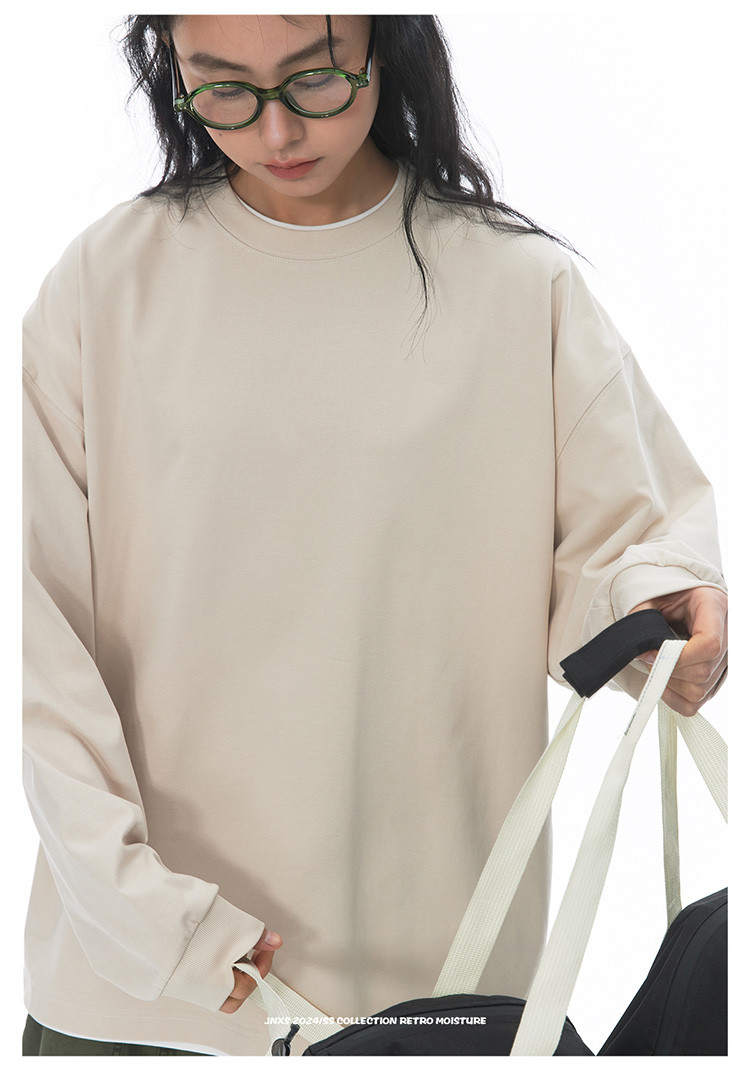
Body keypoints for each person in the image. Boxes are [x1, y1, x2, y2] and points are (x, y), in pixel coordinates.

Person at [22, 13, 728, 1058]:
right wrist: (147, 918)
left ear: (385, 49)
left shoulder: (514, 284)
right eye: (222, 87)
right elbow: (37, 641)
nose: (275, 131)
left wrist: (661, 615)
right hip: (140, 1000)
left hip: (433, 990)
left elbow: (623, 544)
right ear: (171, 68)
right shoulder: (106, 285)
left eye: (313, 79)